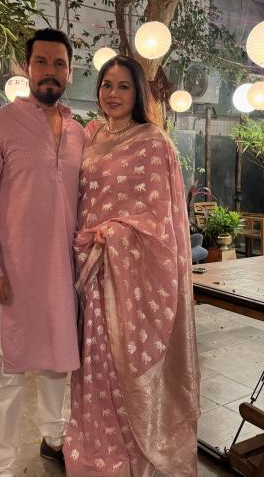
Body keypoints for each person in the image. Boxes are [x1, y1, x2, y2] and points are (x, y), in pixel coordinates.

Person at [63, 56, 200, 477]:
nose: (113, 94)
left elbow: (160, 220)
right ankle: (96, 442)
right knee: (93, 363)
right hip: (91, 271)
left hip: (130, 275)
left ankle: (133, 448)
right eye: (107, 84)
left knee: (123, 360)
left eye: (123, 86)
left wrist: (114, 235)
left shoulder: (153, 141)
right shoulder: (90, 134)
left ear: (138, 92)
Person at [0, 28, 85, 477]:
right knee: (8, 373)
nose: (50, 71)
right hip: (12, 274)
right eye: (42, 62)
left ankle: (54, 438)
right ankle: (3, 465)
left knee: (58, 363)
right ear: (26, 67)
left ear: (70, 71)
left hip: (63, 274)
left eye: (59, 63)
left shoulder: (79, 133)